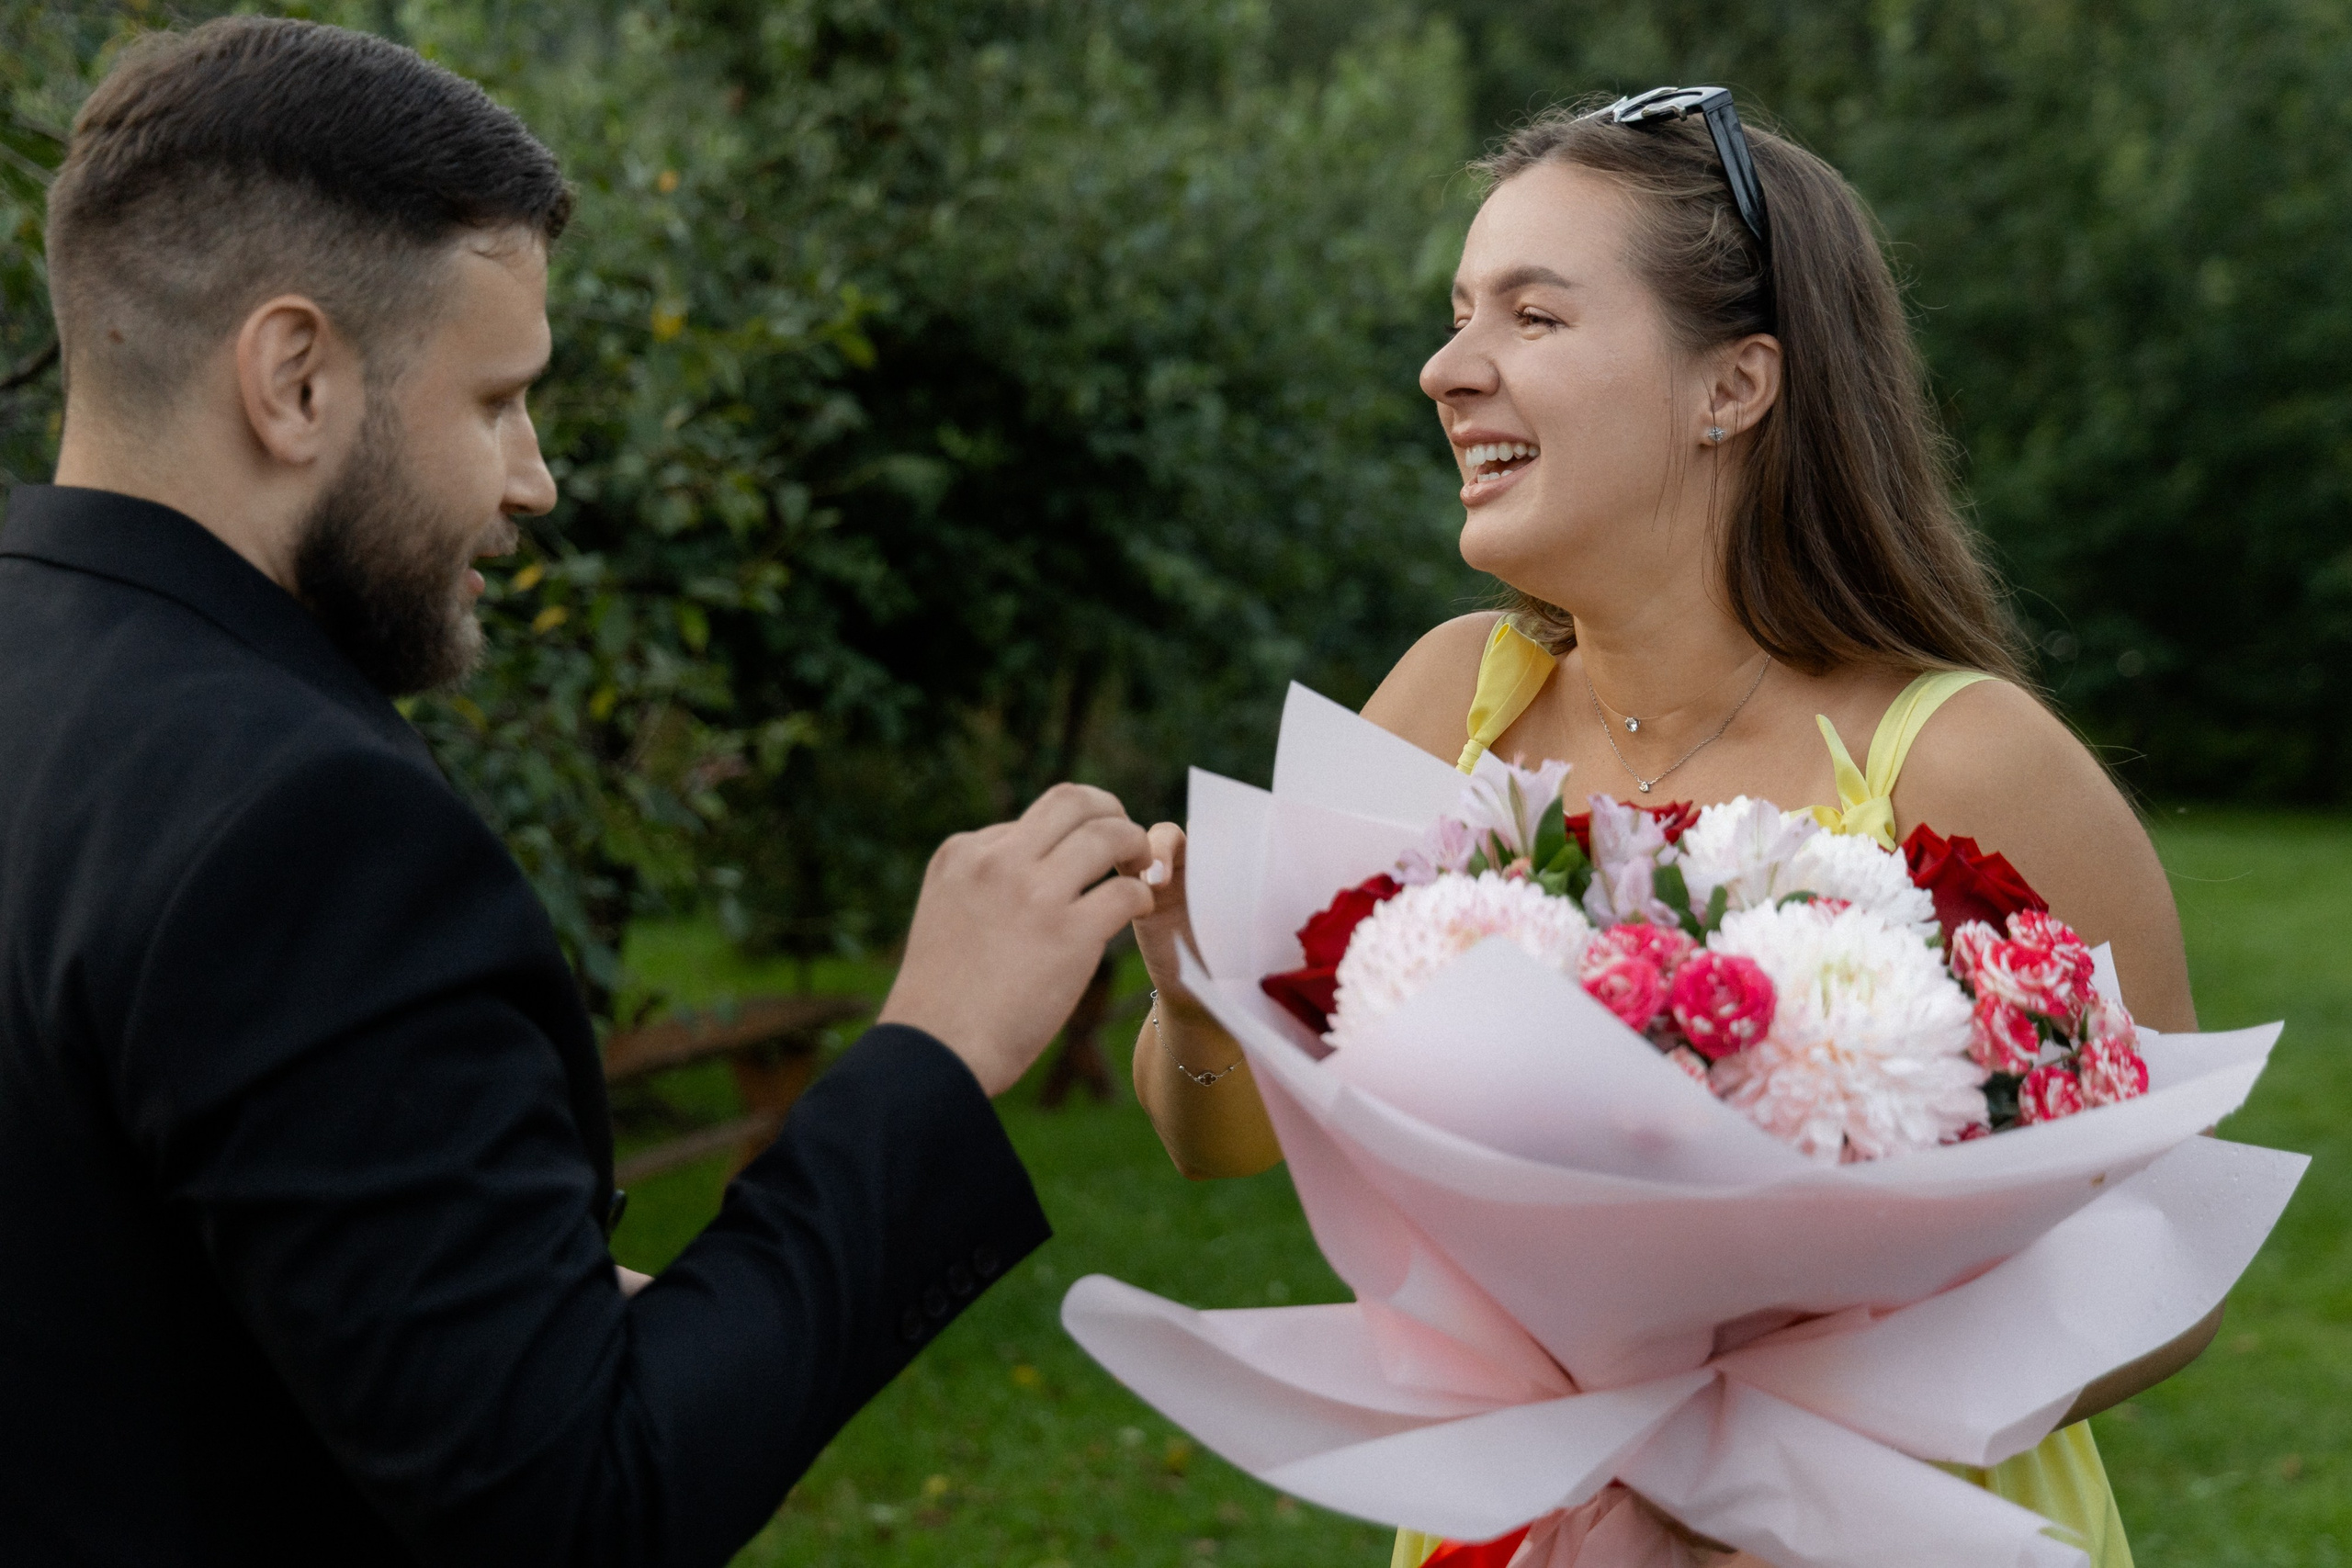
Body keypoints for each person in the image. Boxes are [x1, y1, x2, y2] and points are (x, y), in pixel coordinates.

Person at [0, 17, 1158, 1566]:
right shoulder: (305, 832)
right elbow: (580, 1507)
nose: (532, 479)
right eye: (494, 402)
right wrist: (933, 1050)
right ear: (293, 378)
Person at [1128, 89, 2217, 1568]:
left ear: (1736, 386)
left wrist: (1777, 1426)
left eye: (1534, 317)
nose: (1449, 369)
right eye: (1460, 316)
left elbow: (2172, 1266)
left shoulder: (1968, 762)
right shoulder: (1448, 704)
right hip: (1521, 1526)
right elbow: (1221, 1141)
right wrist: (1195, 984)